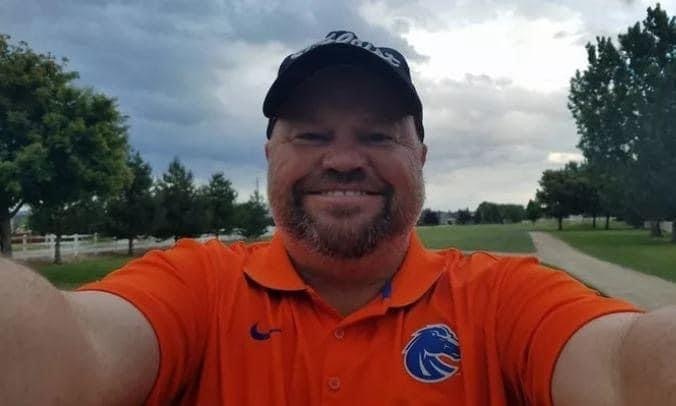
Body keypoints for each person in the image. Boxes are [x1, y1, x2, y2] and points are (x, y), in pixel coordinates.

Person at [1, 30, 675, 405]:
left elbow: (623, 367)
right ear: (271, 155)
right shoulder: (196, 285)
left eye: (378, 136)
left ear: (420, 158)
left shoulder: (502, 298)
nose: (345, 160)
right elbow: (74, 355)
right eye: (312, 136)